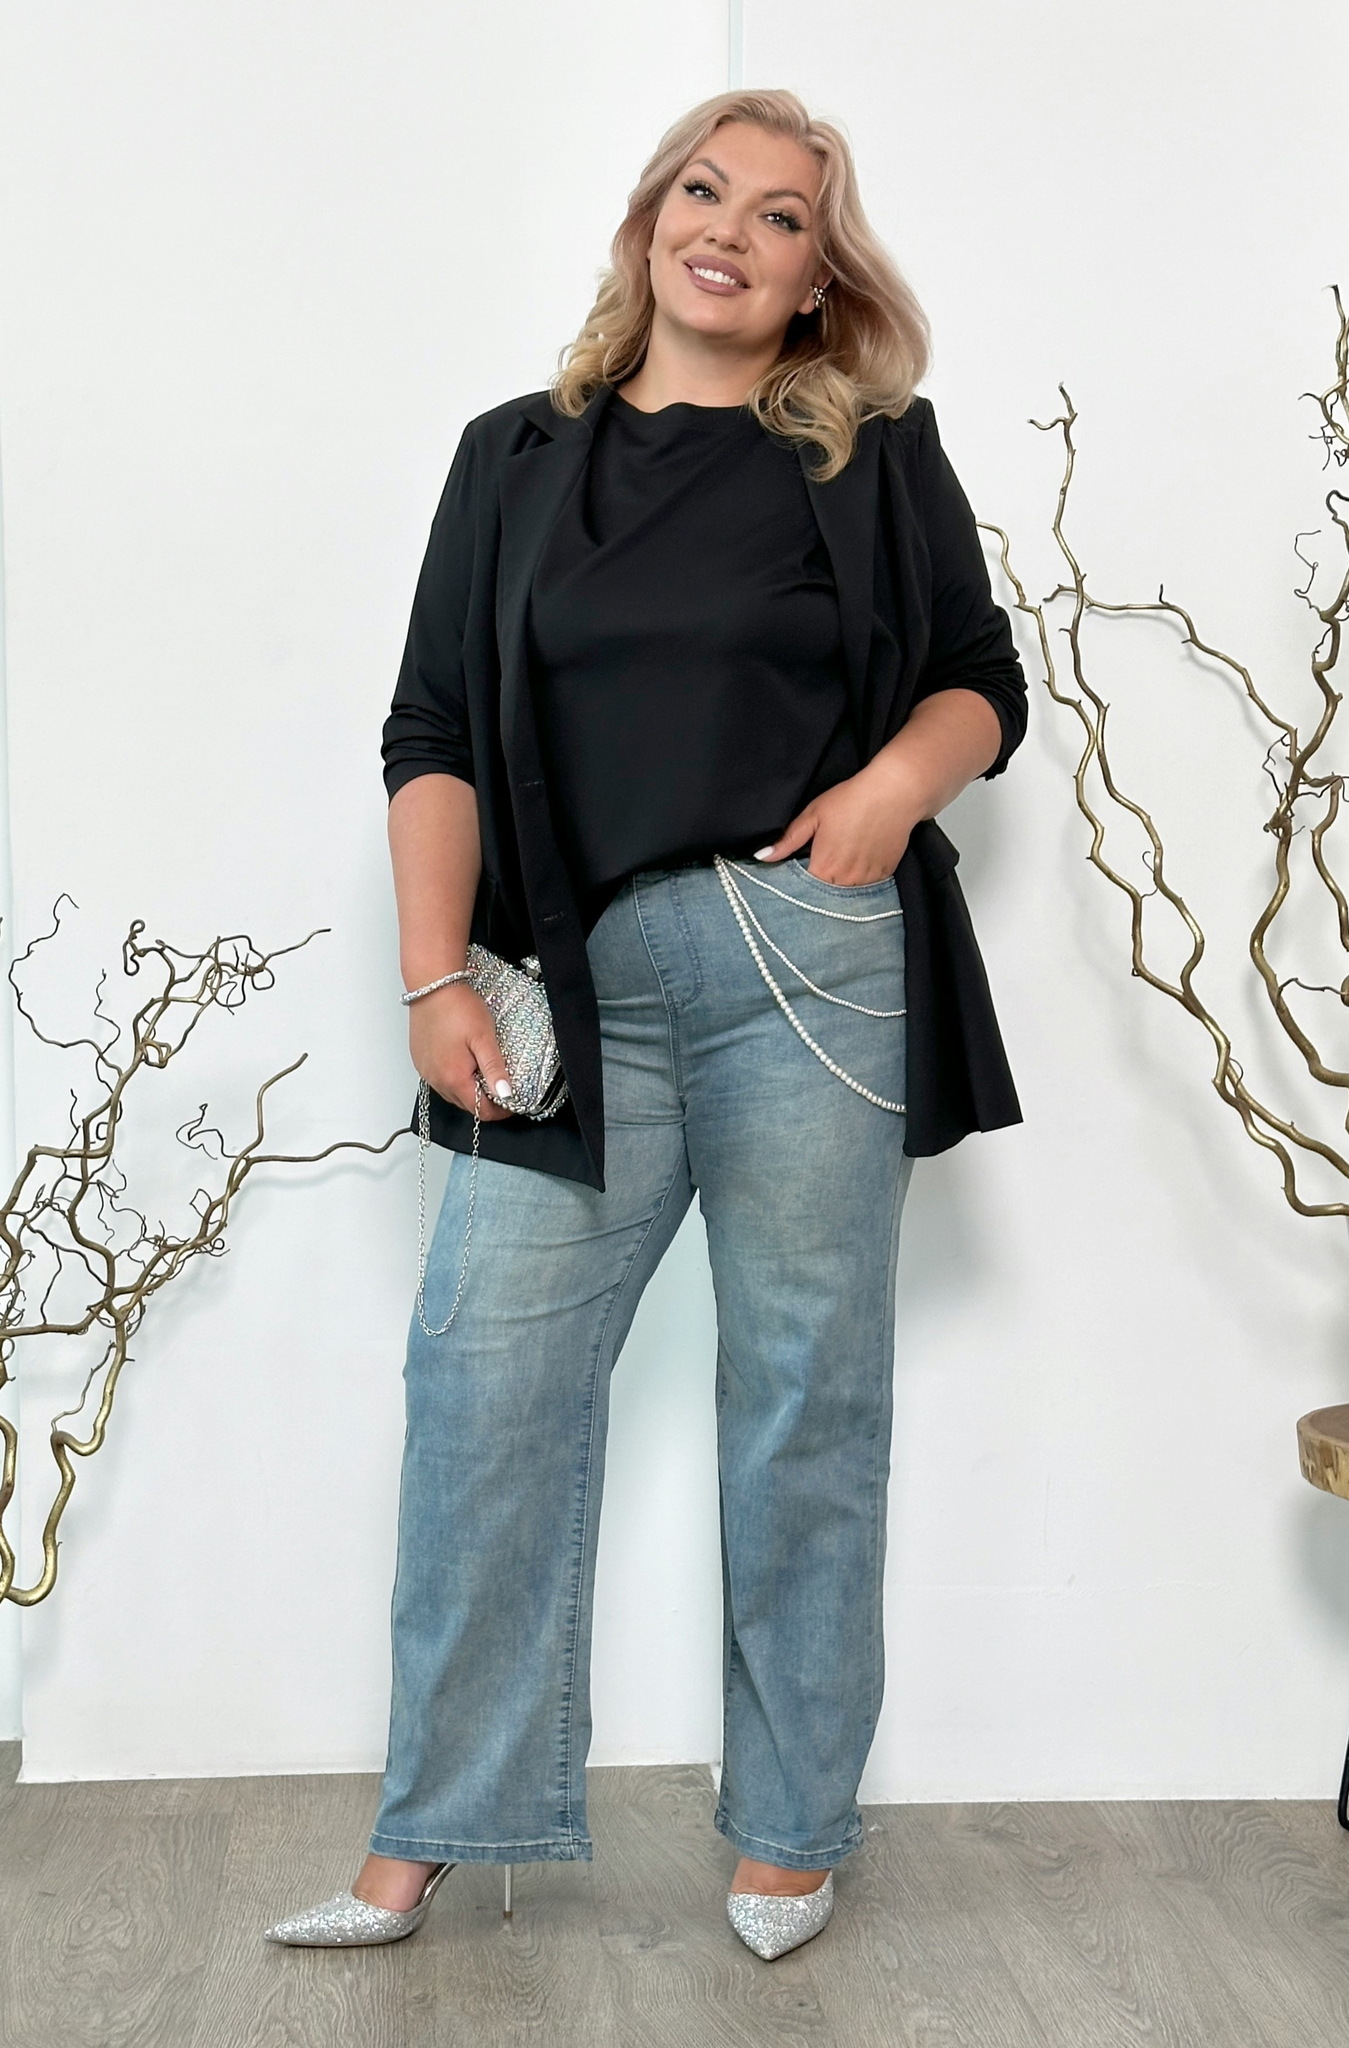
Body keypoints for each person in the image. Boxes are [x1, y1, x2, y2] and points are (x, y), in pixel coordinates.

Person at [266, 86, 1026, 1964]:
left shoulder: (873, 451)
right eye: (706, 191)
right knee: (484, 1388)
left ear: (817, 278)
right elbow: (433, 729)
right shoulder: (513, 458)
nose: (731, 232)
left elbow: (975, 679)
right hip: (571, 982)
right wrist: (435, 973)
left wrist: (885, 799)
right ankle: (434, 1829)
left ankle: (789, 1830)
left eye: (782, 217)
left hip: (809, 964)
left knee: (803, 1398)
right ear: (647, 218)